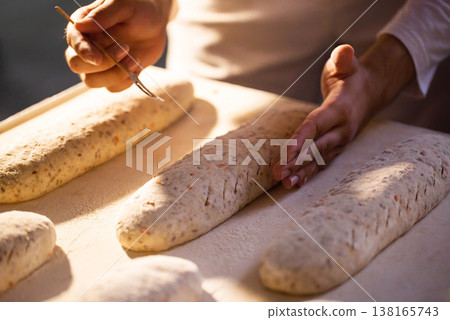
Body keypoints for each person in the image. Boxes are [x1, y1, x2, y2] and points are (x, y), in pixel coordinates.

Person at [64, 0, 450, 189]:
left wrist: (381, 76)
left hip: (398, 36)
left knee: (401, 170)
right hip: (228, 38)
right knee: (201, 170)